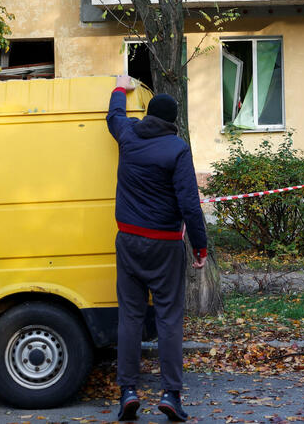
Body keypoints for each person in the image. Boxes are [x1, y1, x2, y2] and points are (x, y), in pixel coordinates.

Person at [107, 74, 208, 422]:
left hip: (129, 241)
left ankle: (128, 392)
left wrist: (120, 88)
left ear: (149, 114)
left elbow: (114, 116)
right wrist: (200, 247)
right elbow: (190, 204)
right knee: (168, 317)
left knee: (131, 316)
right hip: (165, 245)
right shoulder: (177, 149)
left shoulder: (128, 135)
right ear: (173, 122)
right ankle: (170, 395)